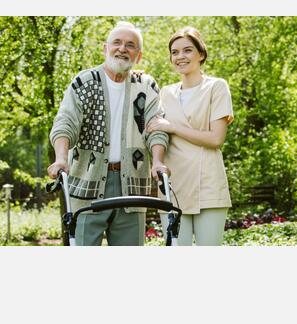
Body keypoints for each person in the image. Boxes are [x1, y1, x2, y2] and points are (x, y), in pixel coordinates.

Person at [48, 21, 169, 246]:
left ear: (138, 55)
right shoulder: (84, 82)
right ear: (105, 48)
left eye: (130, 45)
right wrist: (61, 159)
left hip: (132, 185)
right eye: (117, 42)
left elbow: (156, 128)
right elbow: (65, 123)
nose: (122, 48)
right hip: (87, 182)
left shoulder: (146, 85)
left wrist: (158, 162)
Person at [147, 26, 233, 246]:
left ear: (201, 54)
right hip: (173, 184)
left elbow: (216, 139)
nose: (180, 57)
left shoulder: (216, 87)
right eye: (174, 52)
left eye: (187, 50)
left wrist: (173, 127)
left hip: (208, 183)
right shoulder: (165, 92)